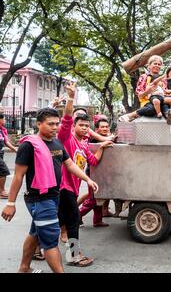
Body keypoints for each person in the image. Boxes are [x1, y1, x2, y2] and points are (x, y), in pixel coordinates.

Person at [1, 108, 100, 273]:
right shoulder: (28, 145)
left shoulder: (57, 143)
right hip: (40, 199)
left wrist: (87, 179)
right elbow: (18, 176)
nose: (55, 127)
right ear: (39, 124)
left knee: (35, 233)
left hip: (54, 196)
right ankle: (73, 256)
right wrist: (11, 203)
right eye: (50, 124)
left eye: (57, 124)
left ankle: (24, 268)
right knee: (52, 240)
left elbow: (70, 164)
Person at [57, 83, 113, 267]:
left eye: (86, 126)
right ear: (74, 126)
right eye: (80, 125)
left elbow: (93, 161)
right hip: (62, 187)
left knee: (51, 222)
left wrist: (102, 147)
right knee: (73, 221)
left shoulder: (84, 145)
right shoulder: (67, 139)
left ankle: (35, 249)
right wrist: (71, 98)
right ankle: (74, 254)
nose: (83, 128)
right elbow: (65, 120)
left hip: (72, 189)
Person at [118, 55, 171, 124]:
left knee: (166, 105)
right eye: (155, 63)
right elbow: (140, 96)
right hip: (148, 102)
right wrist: (148, 91)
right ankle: (131, 115)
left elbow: (165, 92)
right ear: (149, 66)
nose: (157, 66)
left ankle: (170, 117)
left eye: (159, 64)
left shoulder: (163, 80)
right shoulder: (144, 77)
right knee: (153, 108)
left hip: (161, 100)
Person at [0, 112, 17, 199]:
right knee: (3, 171)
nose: (5, 120)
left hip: (1, 153)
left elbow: (6, 142)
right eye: (4, 118)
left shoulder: (2, 130)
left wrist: (15, 149)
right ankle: (2, 191)